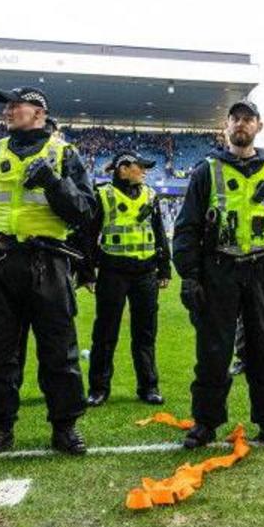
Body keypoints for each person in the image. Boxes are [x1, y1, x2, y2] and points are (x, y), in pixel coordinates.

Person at [0, 87, 97, 458]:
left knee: (58, 350)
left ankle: (65, 427)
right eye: (7, 105)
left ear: (40, 112)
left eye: (17, 104)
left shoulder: (66, 154)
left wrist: (53, 182)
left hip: (48, 262)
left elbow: (85, 212)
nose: (9, 110)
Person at [172, 99, 264, 449]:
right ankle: (205, 422)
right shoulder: (207, 171)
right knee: (213, 349)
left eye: (248, 119)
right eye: (235, 119)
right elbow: (186, 228)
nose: (241, 124)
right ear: (226, 127)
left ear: (259, 127)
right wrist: (189, 276)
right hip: (219, 267)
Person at [80, 149, 172, 407]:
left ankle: (149, 387)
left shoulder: (151, 196)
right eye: (140, 166)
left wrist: (164, 268)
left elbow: (160, 234)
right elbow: (88, 236)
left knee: (145, 333)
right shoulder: (103, 195)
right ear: (123, 168)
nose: (145, 171)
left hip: (146, 273)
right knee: (105, 333)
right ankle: (98, 389)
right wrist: (88, 272)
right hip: (112, 273)